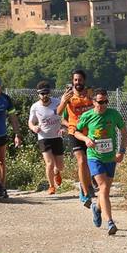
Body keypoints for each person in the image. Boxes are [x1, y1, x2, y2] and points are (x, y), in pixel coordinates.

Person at [72, 90, 127, 235]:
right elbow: (76, 132)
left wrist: (121, 151)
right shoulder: (88, 116)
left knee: (106, 190)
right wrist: (86, 139)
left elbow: (124, 133)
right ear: (93, 102)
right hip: (94, 157)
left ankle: (96, 208)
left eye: (105, 102)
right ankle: (110, 222)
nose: (103, 105)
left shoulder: (113, 114)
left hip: (110, 158)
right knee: (103, 187)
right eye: (100, 102)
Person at [57, 69, 96, 206]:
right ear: (72, 81)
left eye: (80, 80)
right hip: (75, 132)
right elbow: (59, 112)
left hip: (90, 132)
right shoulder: (68, 96)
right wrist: (63, 101)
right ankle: (85, 194)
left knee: (90, 162)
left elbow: (97, 107)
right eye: (75, 80)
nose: (77, 82)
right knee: (81, 160)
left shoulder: (90, 94)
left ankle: (86, 183)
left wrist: (93, 99)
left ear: (84, 81)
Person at [27, 80, 65, 194]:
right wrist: (34, 128)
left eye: (46, 93)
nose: (45, 96)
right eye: (42, 94)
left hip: (57, 136)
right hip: (43, 137)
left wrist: (64, 128)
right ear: (38, 94)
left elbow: (65, 118)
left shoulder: (58, 103)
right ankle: (51, 186)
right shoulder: (35, 107)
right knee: (49, 163)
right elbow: (30, 122)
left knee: (60, 166)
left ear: (50, 93)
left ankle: (57, 172)